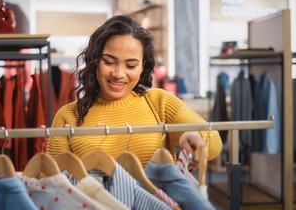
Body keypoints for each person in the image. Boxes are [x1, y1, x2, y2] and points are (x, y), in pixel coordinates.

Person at [47, 15, 222, 168]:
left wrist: (194, 137)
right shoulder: (68, 116)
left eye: (130, 65)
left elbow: (214, 144)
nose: (118, 74)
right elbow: (55, 182)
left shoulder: (159, 102)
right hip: (94, 206)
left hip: (155, 206)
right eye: (109, 62)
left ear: (142, 67)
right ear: (95, 61)